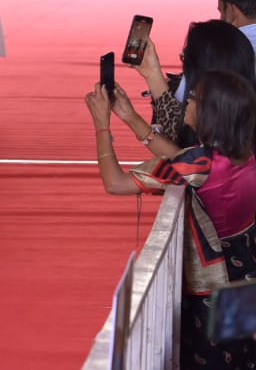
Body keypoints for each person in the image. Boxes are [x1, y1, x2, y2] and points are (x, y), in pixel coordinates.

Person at [87, 68, 256, 367]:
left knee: (209, 359)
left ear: (209, 112)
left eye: (193, 98)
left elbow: (115, 183)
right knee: (240, 357)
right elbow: (181, 158)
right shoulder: (245, 156)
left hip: (211, 286)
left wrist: (101, 125)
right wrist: (130, 117)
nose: (187, 102)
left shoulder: (199, 165)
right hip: (245, 272)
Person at [129, 19, 256, 148]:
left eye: (184, 58)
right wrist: (152, 74)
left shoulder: (217, 149)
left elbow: (179, 148)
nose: (189, 95)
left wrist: (131, 119)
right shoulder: (235, 125)